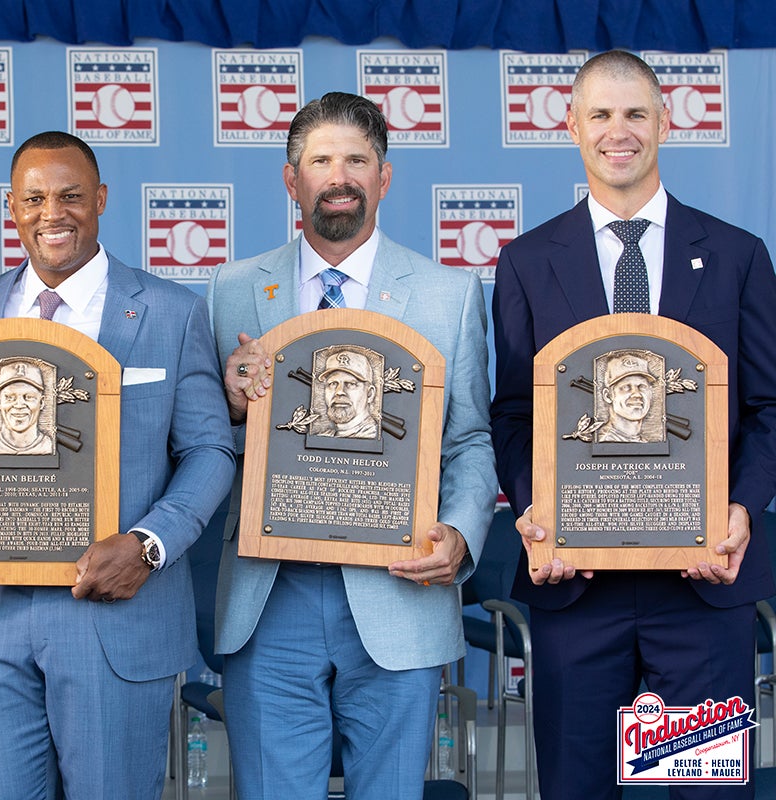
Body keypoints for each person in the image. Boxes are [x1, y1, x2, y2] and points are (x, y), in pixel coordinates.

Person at [0, 131, 235, 800]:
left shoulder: (171, 311)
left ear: (102, 199)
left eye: (72, 196)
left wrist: (150, 543)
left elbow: (210, 451)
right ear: (13, 209)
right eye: (35, 199)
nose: (54, 214)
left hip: (110, 610)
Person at [490, 50, 776, 800]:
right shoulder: (524, 262)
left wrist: (741, 509)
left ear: (666, 122)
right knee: (578, 789)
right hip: (578, 589)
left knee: (708, 793)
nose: (620, 132)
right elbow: (515, 414)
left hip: (702, 588)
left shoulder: (739, 256)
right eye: (602, 115)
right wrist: (534, 513)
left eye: (636, 113)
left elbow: (767, 408)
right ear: (572, 127)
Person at [206, 92, 496, 798]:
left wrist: (459, 534)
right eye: (320, 161)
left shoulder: (448, 293)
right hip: (270, 599)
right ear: (291, 179)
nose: (339, 176)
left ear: (384, 178)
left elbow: (471, 442)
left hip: (398, 591)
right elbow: (204, 442)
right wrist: (232, 404)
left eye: (357, 160)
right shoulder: (233, 288)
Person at [0, 359, 55, 455]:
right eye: (10, 397)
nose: (19, 405)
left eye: (29, 397)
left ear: (42, 402)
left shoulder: (48, 446)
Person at [316, 348, 379, 439]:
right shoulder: (322, 437)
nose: (339, 391)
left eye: (351, 384)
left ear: (370, 394)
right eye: (333, 384)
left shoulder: (374, 434)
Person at [597, 352, 659, 443]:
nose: (637, 394)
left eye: (642, 387)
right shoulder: (605, 440)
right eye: (626, 387)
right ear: (607, 396)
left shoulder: (644, 442)